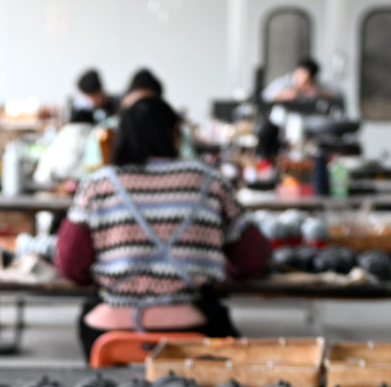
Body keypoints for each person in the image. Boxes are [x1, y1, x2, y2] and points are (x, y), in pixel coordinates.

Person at [54, 95, 271, 356]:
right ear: (175, 134)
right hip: (193, 326)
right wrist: (208, 264)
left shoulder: (97, 185)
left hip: (110, 332)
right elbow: (253, 259)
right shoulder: (210, 182)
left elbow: (70, 264)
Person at [266, 56, 344, 117]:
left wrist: (319, 92)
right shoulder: (285, 83)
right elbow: (265, 96)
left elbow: (338, 96)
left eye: (307, 80)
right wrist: (282, 95)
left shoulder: (317, 86)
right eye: (300, 75)